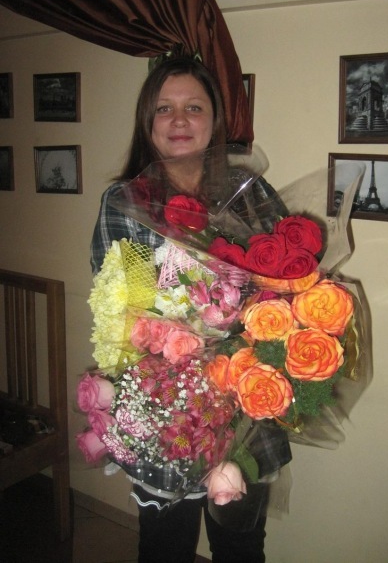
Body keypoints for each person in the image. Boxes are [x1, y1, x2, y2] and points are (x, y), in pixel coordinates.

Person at [90, 57, 291, 563]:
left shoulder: (250, 193)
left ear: (214, 120)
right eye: (164, 109)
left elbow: (287, 285)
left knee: (241, 546)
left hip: (246, 399)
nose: (179, 120)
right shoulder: (126, 202)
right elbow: (123, 314)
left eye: (193, 107)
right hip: (167, 410)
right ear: (147, 121)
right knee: (165, 547)